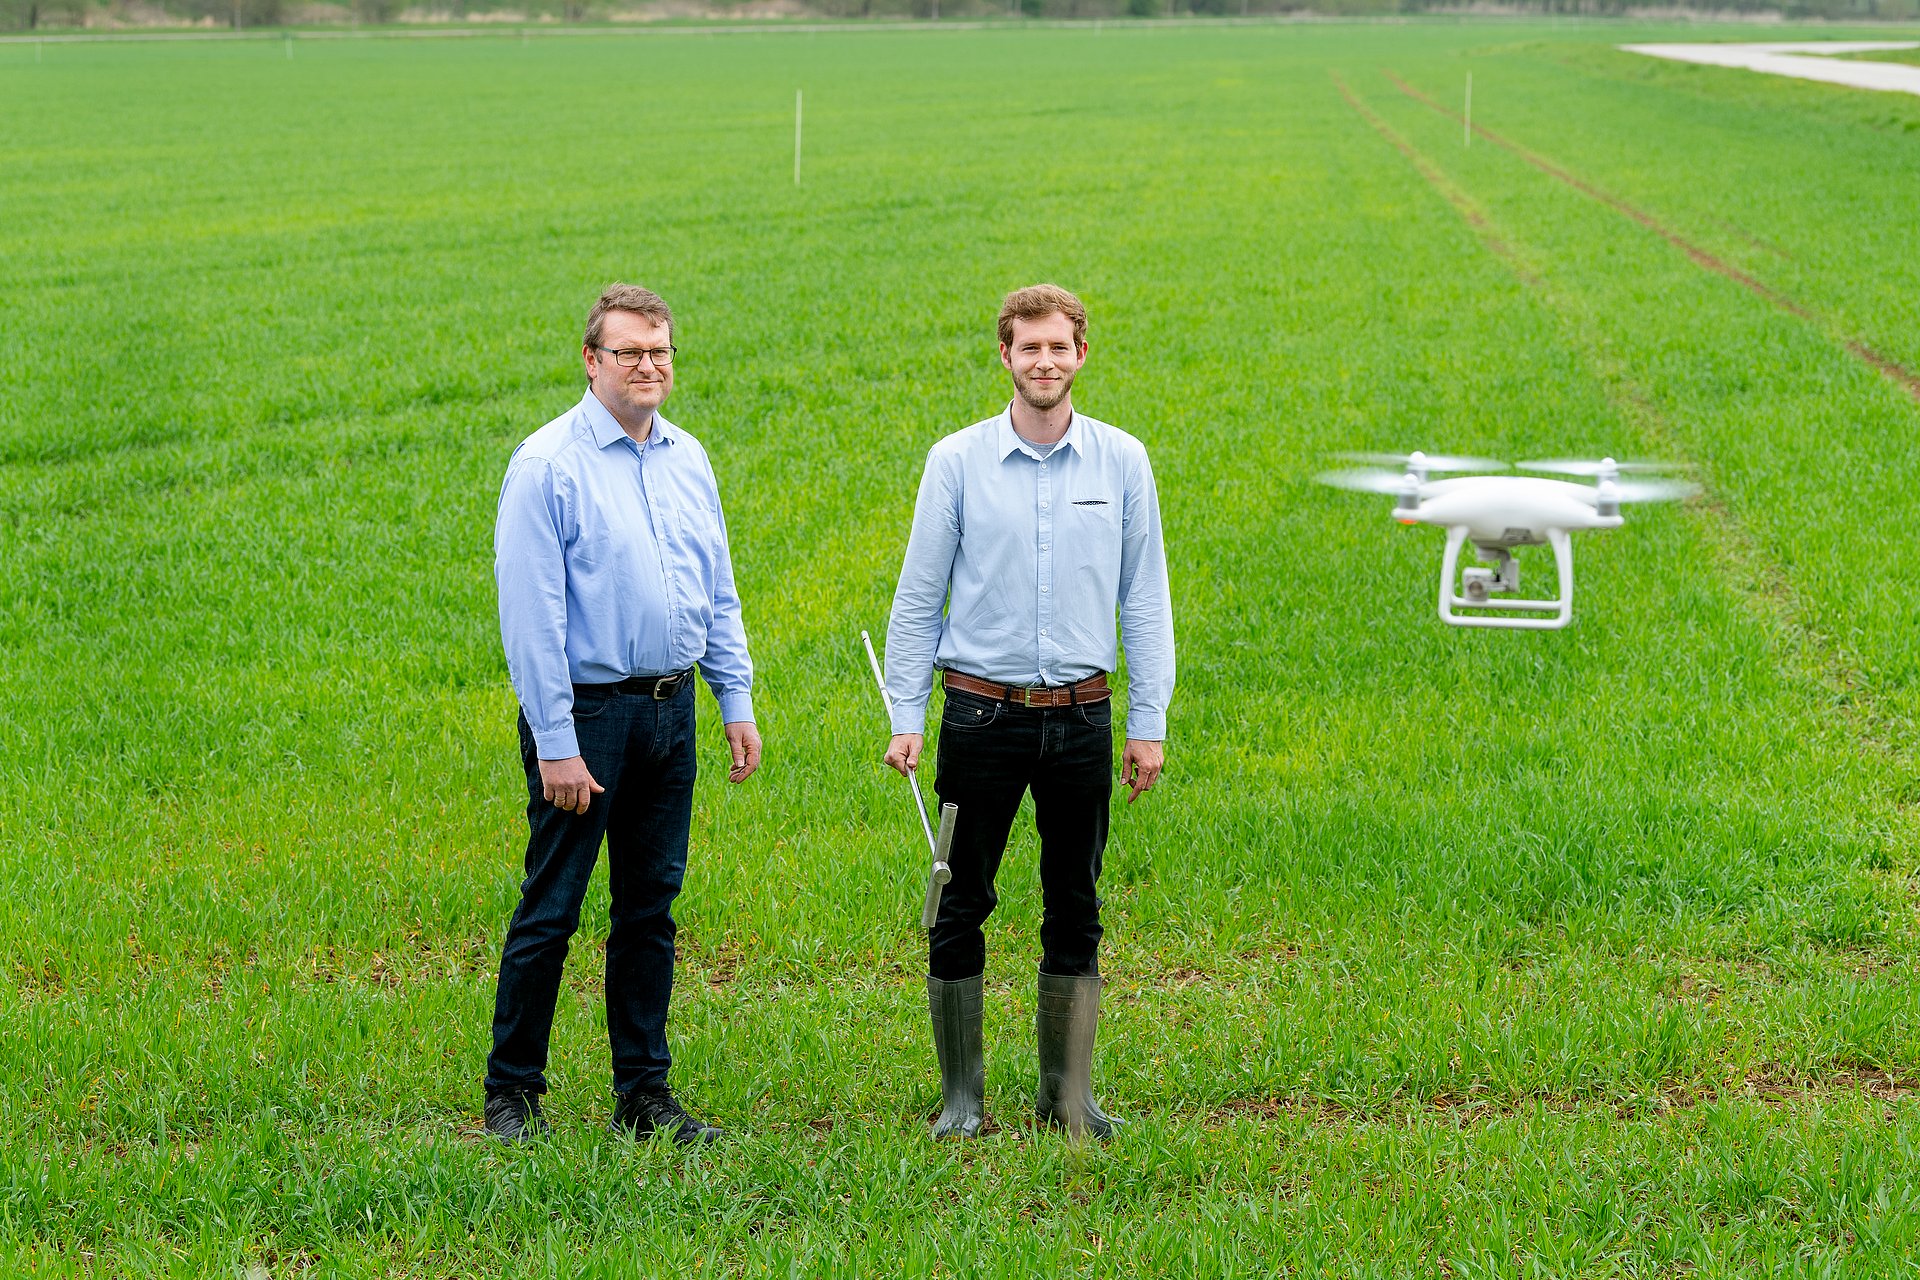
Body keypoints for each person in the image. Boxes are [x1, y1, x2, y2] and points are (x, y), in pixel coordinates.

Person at [882, 283, 1174, 1140]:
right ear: (1005, 357)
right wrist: (908, 712)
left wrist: (1146, 722)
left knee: (1074, 902)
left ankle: (1068, 1098)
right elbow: (917, 597)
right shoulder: (957, 461)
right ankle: (962, 1102)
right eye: (1027, 348)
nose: (1043, 362)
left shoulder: (1123, 462)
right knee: (957, 898)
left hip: (1082, 720)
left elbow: (1145, 600)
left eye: (1059, 347)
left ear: (1082, 354)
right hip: (979, 718)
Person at [483, 284, 761, 1145]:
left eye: (661, 351)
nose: (649, 366)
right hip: (587, 721)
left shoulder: (688, 457)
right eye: (630, 352)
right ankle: (512, 1095)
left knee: (650, 910)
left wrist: (733, 697)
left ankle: (645, 1099)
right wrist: (557, 745)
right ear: (592, 359)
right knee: (553, 907)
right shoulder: (547, 467)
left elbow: (716, 590)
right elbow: (531, 620)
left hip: (670, 712)